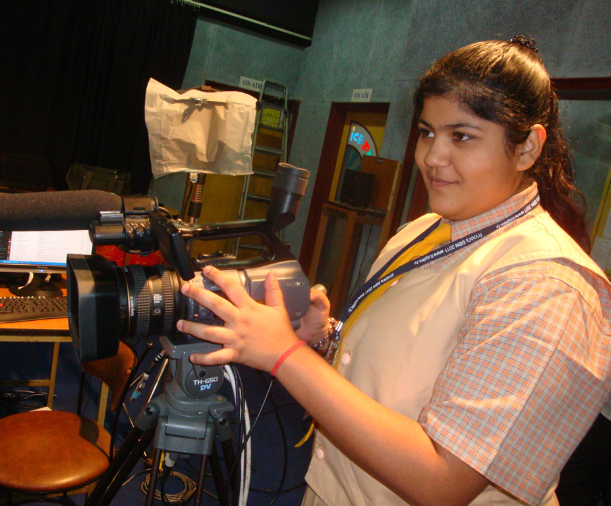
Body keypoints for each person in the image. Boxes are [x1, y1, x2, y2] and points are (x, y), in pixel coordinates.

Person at [176, 37, 611, 506]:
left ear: (526, 147)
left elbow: (443, 481)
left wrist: (284, 355)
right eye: (427, 132)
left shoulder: (547, 283)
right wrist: (323, 337)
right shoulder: (425, 228)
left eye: (462, 136)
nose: (432, 157)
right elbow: (402, 372)